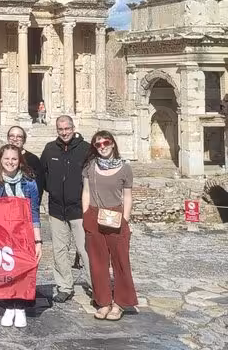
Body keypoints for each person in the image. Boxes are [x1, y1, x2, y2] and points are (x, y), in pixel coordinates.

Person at [0, 145, 42, 328]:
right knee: (6, 270)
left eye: (14, 159)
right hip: (1, 235)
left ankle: (20, 307)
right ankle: (9, 306)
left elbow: (34, 212)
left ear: (20, 161)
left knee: (24, 270)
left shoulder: (30, 183)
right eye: (7, 158)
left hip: (23, 235)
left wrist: (38, 240)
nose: (10, 162)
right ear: (1, 160)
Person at [82, 131, 138, 321]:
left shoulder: (125, 168)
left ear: (113, 144)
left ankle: (120, 303)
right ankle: (104, 301)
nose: (102, 146)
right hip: (94, 215)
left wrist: (126, 218)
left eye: (106, 142)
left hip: (116, 216)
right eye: (98, 144)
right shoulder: (90, 166)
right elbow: (86, 191)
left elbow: (128, 195)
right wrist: (86, 215)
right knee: (98, 263)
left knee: (121, 262)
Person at [40, 115, 92, 303]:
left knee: (85, 249)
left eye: (67, 128)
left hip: (79, 209)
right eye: (60, 129)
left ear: (73, 127)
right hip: (56, 209)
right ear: (57, 130)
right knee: (59, 250)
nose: (64, 132)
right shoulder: (49, 149)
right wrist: (53, 190)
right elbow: (42, 174)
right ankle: (64, 286)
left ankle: (95, 286)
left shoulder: (86, 149)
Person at [7, 126, 45, 204]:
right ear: (8, 138)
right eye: (12, 136)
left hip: (27, 206)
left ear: (24, 140)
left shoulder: (33, 160)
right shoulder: (1, 158)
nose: (15, 139)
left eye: (19, 136)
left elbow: (39, 187)